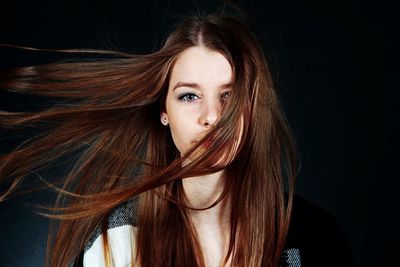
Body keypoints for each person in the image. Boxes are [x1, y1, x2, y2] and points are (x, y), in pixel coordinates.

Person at [0, 11, 347, 267]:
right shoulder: (120, 240)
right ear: (163, 111)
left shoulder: (312, 236)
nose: (211, 116)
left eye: (228, 96)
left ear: (253, 109)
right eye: (188, 96)